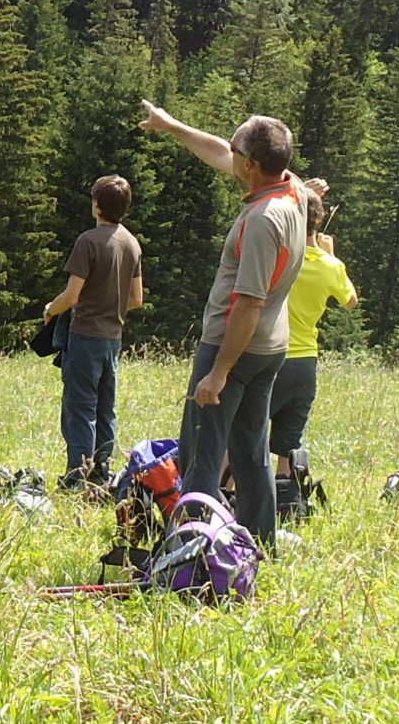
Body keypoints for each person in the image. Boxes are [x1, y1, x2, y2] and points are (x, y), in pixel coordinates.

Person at [138, 102, 308, 543]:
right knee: (251, 451)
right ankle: (259, 542)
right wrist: (172, 126)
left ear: (250, 165)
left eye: (237, 152)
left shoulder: (262, 220)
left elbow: (248, 303)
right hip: (271, 348)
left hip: (233, 347)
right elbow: (220, 152)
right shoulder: (293, 191)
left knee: (202, 453)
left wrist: (218, 373)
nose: (228, 156)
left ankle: (192, 547)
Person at [43, 175, 144, 487]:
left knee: (79, 407)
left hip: (85, 336)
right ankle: (101, 470)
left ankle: (77, 476)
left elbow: (71, 296)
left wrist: (50, 309)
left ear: (97, 205)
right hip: (112, 337)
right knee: (105, 407)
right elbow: (137, 299)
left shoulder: (88, 241)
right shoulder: (132, 243)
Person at [270, 190, 357, 483]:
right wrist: (330, 255)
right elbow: (350, 301)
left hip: (270, 356)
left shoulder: (279, 255)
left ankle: (219, 500)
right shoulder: (331, 266)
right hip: (305, 362)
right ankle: (285, 503)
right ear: (319, 220)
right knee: (287, 446)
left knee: (243, 435)